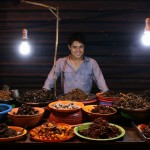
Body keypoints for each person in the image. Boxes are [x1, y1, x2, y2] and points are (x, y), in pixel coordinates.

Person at [42, 32, 109, 94]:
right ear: (69, 47)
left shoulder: (92, 63)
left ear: (84, 47)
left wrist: (107, 95)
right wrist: (44, 93)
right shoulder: (60, 62)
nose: (78, 50)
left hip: (86, 102)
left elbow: (102, 84)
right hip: (66, 103)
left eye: (81, 47)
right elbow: (49, 82)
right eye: (75, 47)